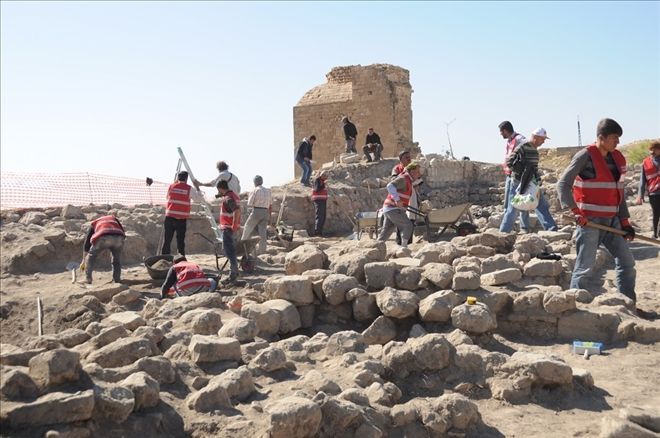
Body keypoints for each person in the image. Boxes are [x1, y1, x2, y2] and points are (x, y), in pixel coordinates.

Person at [557, 118, 637, 303]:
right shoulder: (585, 155)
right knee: (584, 267)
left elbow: (619, 192)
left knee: (627, 263)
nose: (618, 141)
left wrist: (625, 221)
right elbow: (562, 184)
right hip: (590, 222)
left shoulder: (617, 159)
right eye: (614, 138)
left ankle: (628, 304)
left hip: (612, 221)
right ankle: (575, 305)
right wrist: (576, 213)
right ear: (601, 137)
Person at [500, 128, 558, 232]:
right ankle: (503, 233)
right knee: (513, 209)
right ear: (535, 138)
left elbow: (534, 168)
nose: (543, 142)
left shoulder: (535, 150)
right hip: (518, 182)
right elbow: (510, 161)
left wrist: (537, 179)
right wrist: (522, 172)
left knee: (541, 205)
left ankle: (551, 228)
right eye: (542, 139)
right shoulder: (523, 146)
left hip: (531, 182)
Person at [378, 162, 423, 248]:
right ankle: (403, 249)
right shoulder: (404, 178)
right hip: (393, 208)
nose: (419, 174)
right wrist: (397, 200)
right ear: (412, 172)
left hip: (388, 208)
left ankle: (375, 247)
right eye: (418, 172)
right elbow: (390, 186)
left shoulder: (408, 181)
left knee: (387, 230)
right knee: (408, 225)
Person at [499, 121, 531, 232]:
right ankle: (517, 227)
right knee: (509, 203)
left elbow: (529, 147)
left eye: (501, 131)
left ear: (505, 130)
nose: (500, 134)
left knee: (518, 202)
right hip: (509, 175)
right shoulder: (510, 141)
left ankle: (510, 230)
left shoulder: (519, 139)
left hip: (518, 176)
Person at [83, 214, 126, 284]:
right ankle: (117, 280)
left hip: (103, 238)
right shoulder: (113, 218)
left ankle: (88, 279)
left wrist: (84, 259)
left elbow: (87, 243)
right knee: (116, 259)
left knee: (91, 256)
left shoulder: (94, 223)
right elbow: (122, 231)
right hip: (119, 238)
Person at [216, 180, 242, 282]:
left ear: (220, 188)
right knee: (230, 250)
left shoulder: (228, 198)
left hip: (228, 228)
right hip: (230, 228)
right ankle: (234, 271)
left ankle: (233, 273)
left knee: (229, 252)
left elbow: (236, 210)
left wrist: (234, 225)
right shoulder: (234, 195)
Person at [162, 171, 192, 256]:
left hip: (169, 217)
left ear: (178, 178)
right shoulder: (189, 188)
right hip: (181, 219)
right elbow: (199, 198)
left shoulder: (171, 186)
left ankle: (164, 259)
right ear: (186, 179)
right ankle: (181, 260)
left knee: (167, 240)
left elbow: (167, 197)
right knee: (180, 242)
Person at [241, 175, 272, 254]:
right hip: (266, 211)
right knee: (263, 232)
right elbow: (270, 205)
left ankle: (241, 247)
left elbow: (250, 203)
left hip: (257, 211)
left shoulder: (255, 190)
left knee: (247, 228)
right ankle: (262, 250)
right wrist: (270, 216)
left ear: (255, 182)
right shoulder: (268, 191)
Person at [636, 141, 660, 238]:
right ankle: (655, 233)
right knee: (656, 213)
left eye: (655, 149)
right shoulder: (645, 162)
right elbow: (642, 180)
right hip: (653, 193)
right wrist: (640, 196)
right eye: (651, 149)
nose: (652, 151)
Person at [311, 171, 329, 237]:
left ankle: (320, 232)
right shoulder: (317, 180)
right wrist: (324, 184)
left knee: (323, 216)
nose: (326, 177)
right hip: (318, 200)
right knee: (319, 216)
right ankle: (317, 233)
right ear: (322, 175)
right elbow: (317, 189)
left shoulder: (323, 181)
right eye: (325, 176)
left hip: (323, 200)